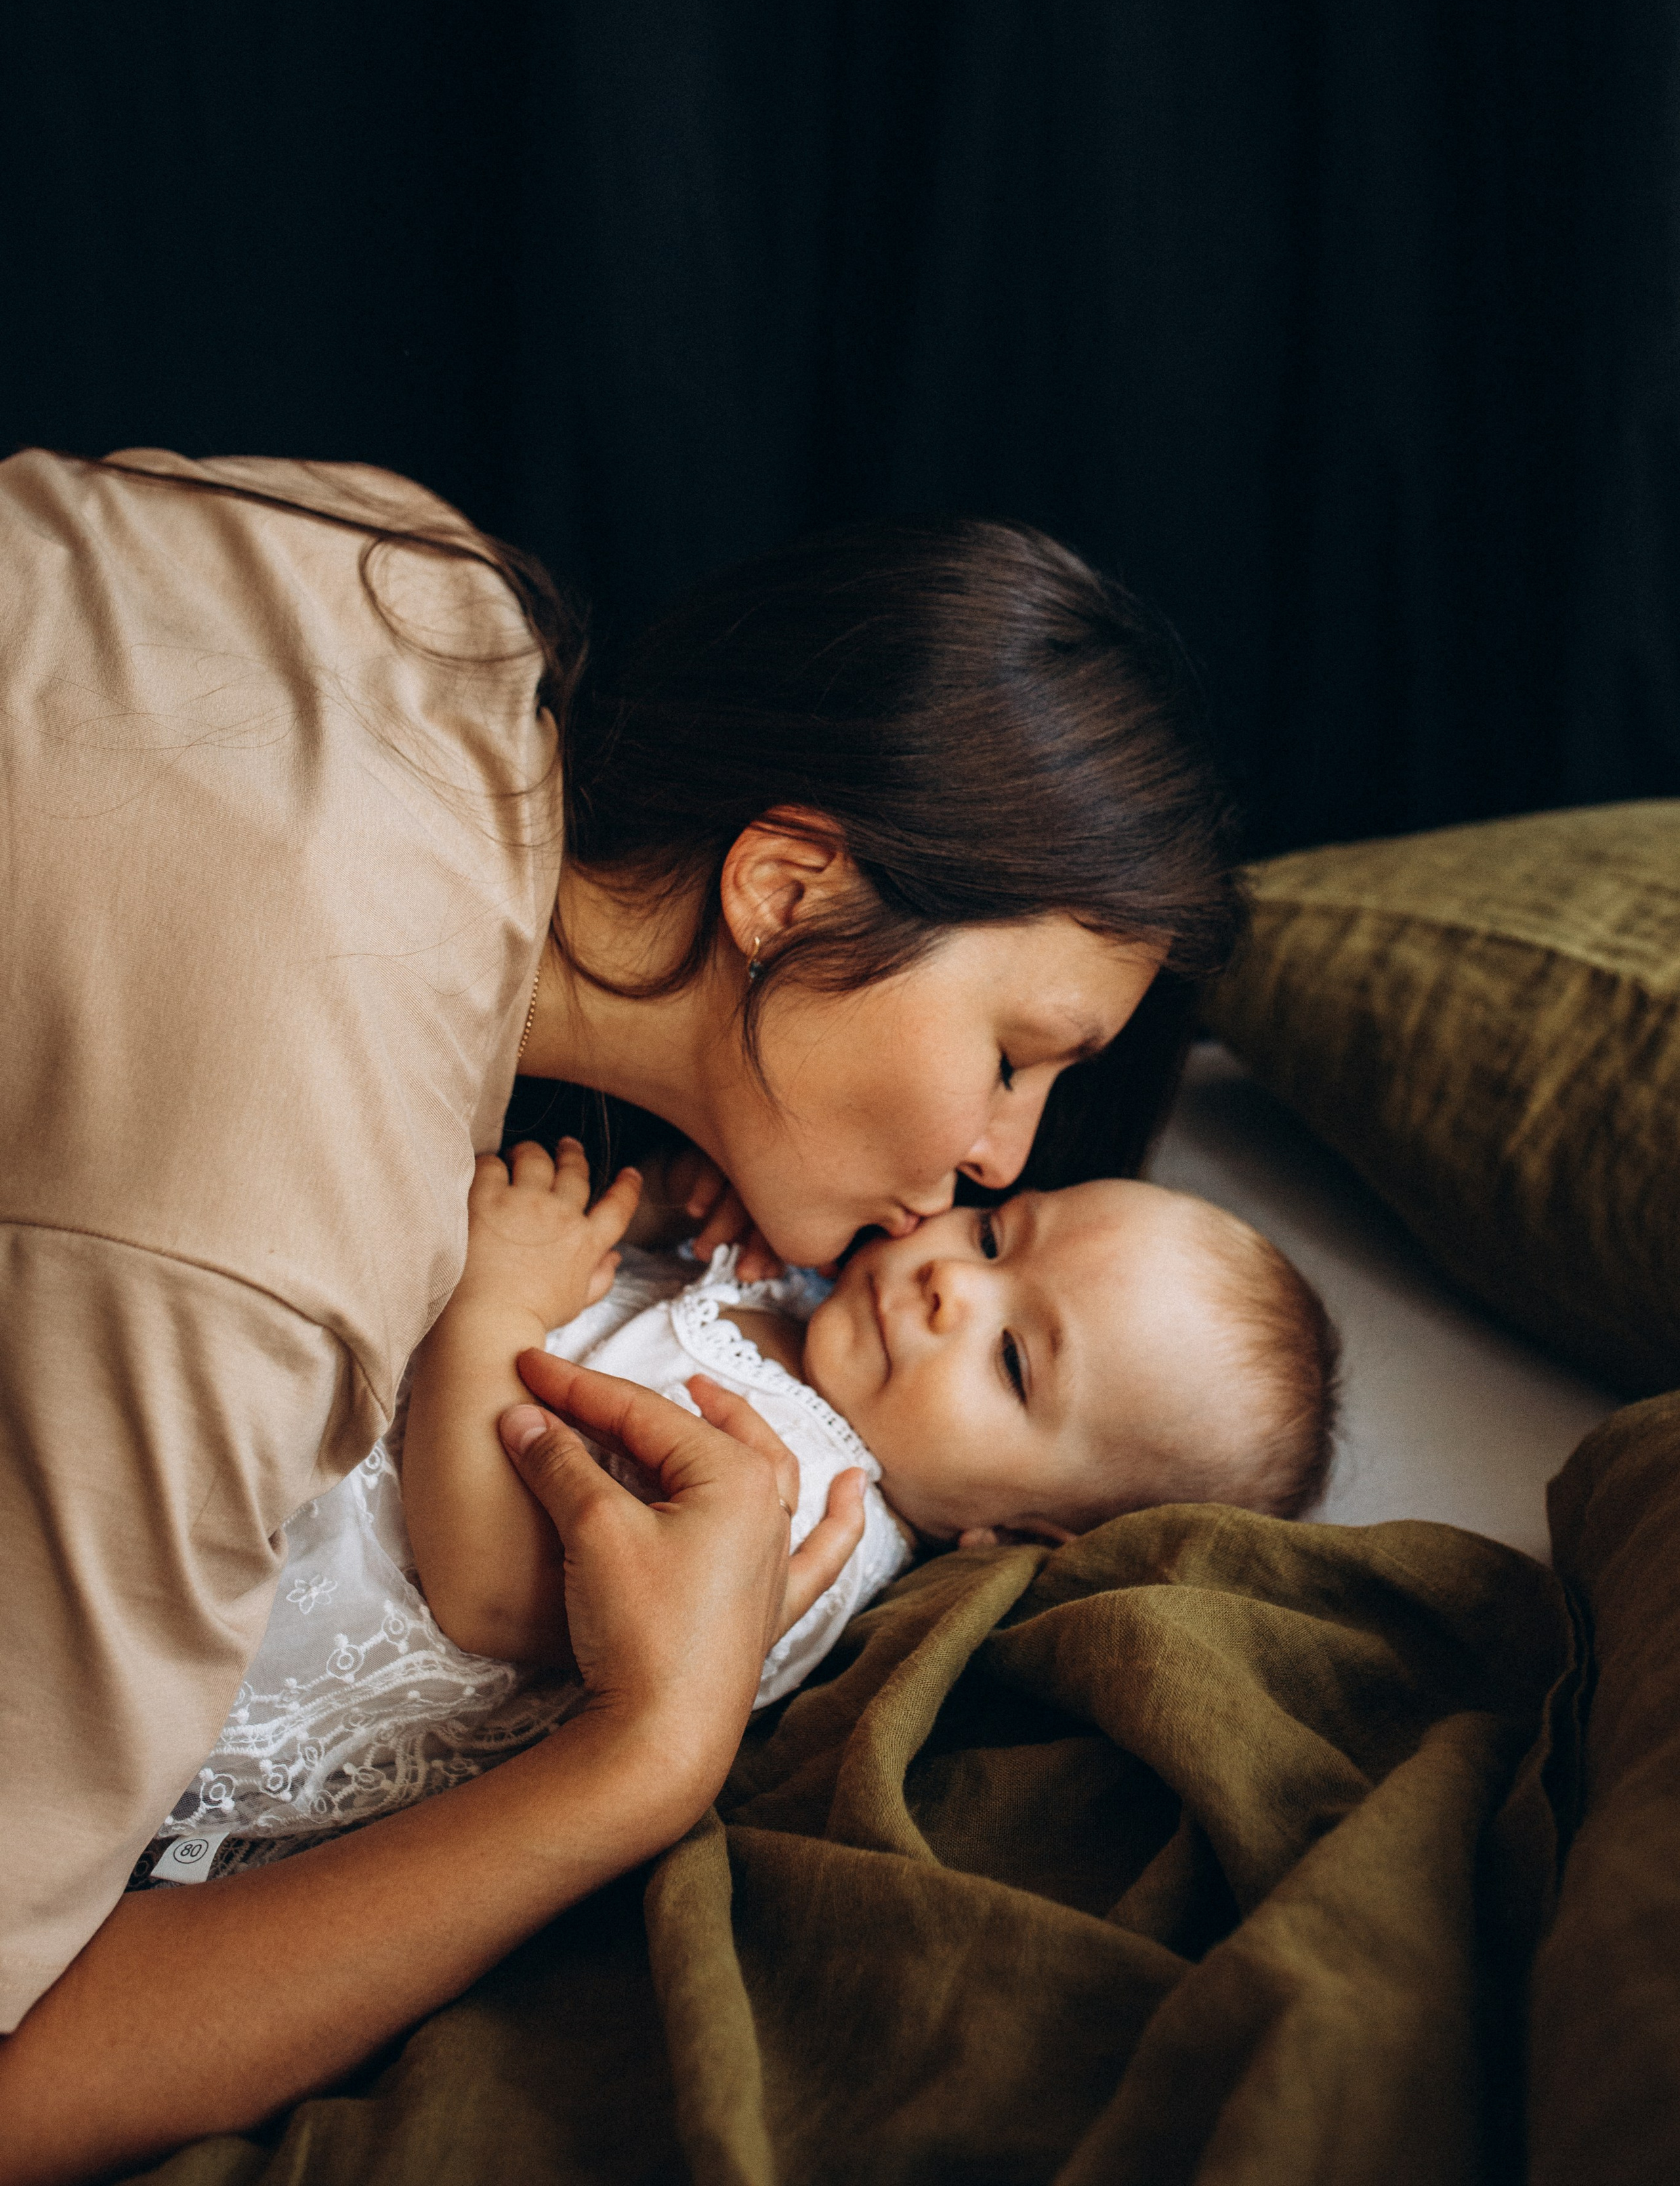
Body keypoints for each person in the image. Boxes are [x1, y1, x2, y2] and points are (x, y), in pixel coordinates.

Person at [0, 446, 1239, 2181]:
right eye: (1015, 1059)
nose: (985, 1160)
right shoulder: (261, 1246)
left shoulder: (401, 570)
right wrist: (639, 1768)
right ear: (789, 886)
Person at [143, 1137, 1336, 1870]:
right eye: (992, 1232)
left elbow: (493, 1597)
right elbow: (624, 1279)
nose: (947, 1286)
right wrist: (675, 1198)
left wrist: (497, 1308)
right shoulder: (806, 1283)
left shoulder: (819, 1521)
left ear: (1019, 1532)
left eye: (1014, 1362)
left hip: (276, 1641)